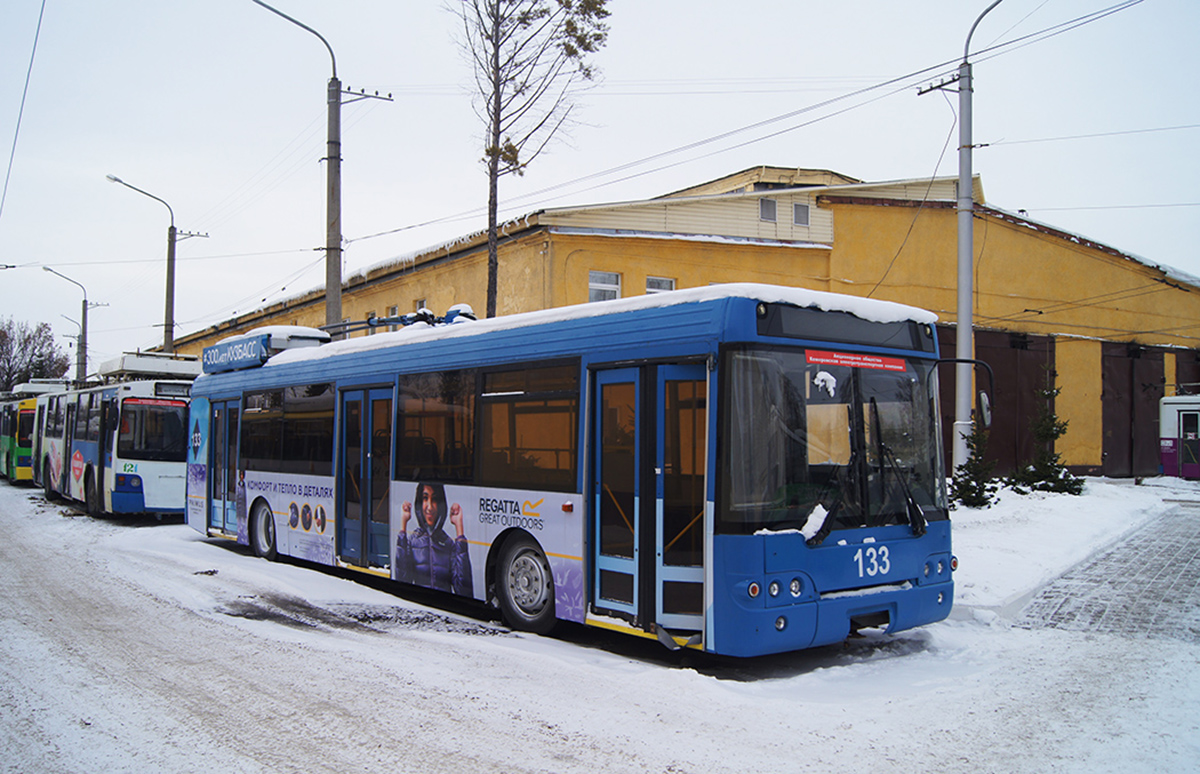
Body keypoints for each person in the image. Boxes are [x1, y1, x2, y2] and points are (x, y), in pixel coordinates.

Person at [394, 482, 473, 596]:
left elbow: (464, 591)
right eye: (425, 498)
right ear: (419, 503)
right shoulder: (412, 541)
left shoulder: (448, 543)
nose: (430, 507)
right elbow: (401, 582)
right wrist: (403, 527)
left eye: (435, 499)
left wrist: (459, 529)